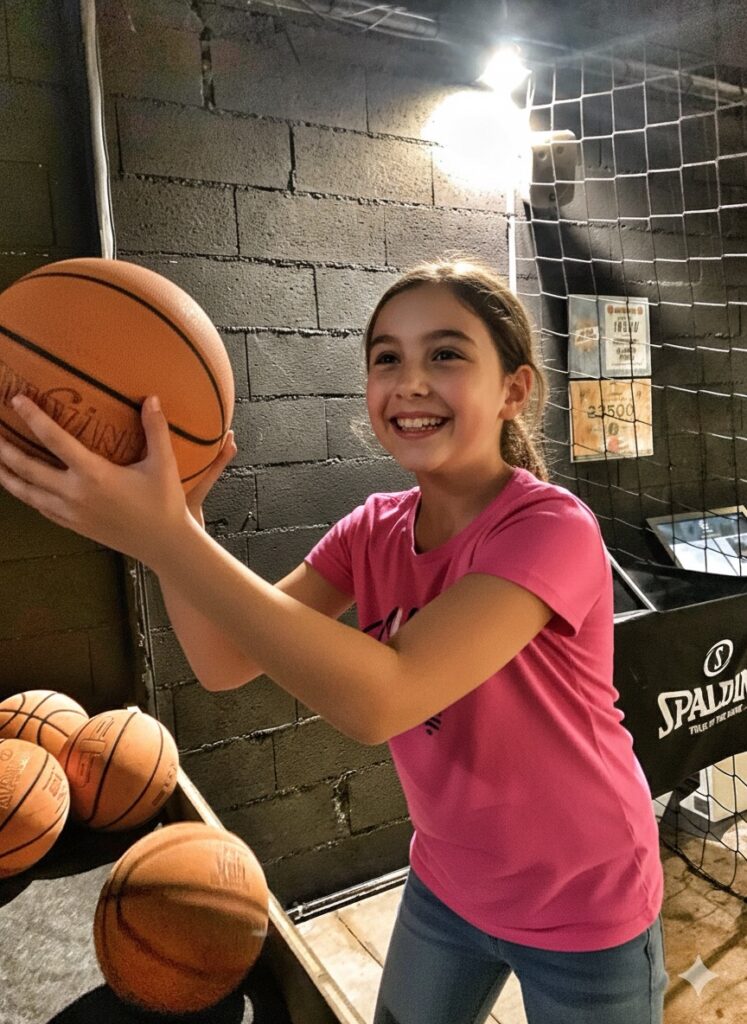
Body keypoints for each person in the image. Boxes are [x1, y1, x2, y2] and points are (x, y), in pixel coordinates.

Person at [0, 257, 668, 1024]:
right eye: (387, 358)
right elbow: (223, 663)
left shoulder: (549, 527)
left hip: (585, 905)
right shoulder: (371, 529)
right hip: (450, 886)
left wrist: (167, 538)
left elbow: (383, 698)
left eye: (444, 354)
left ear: (513, 390)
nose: (409, 381)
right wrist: (173, 524)